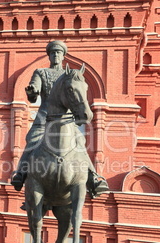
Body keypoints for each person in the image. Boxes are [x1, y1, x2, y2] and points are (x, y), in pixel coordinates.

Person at [11, 40, 109, 198]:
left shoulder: (69, 75)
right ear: (49, 56)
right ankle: (21, 174)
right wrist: (32, 91)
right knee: (33, 140)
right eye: (53, 53)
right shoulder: (41, 72)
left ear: (63, 56)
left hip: (66, 120)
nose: (56, 55)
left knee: (79, 142)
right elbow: (34, 90)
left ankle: (93, 177)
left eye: (58, 53)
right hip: (44, 117)